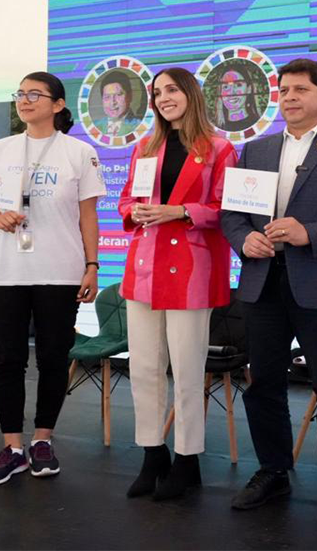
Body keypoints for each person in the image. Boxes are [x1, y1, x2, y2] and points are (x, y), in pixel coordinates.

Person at [221, 58, 317, 520]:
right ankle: (272, 471)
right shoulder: (256, 149)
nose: (290, 98)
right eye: (284, 90)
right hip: (263, 283)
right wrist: (243, 240)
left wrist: (308, 232)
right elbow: (233, 214)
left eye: (301, 90)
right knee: (263, 384)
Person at [0, 72, 105, 485]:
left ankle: (43, 439)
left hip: (60, 270)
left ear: (58, 104)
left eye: (35, 94)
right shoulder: (0, 149)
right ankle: (12, 447)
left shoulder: (78, 152)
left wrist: (92, 265)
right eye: (20, 93)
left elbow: (88, 215)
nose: (25, 100)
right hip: (5, 270)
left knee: (53, 357)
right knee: (7, 358)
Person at [119, 67, 237, 500]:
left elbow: (228, 208)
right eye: (157, 92)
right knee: (143, 367)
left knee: (187, 370)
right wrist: (133, 211)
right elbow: (127, 199)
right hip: (145, 268)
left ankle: (188, 459)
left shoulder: (220, 148)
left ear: (191, 94)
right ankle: (153, 454)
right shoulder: (144, 147)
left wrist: (182, 211)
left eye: (172, 89)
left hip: (191, 269)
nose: (163, 97)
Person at [211, 65, 261, 132]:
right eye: (225, 87)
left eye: (238, 85)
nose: (231, 92)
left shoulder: (259, 125)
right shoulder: (215, 129)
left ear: (249, 89)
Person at [99, 72, 141, 137]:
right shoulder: (96, 126)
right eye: (107, 97)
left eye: (118, 95)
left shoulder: (139, 125)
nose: (112, 102)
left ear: (130, 96)